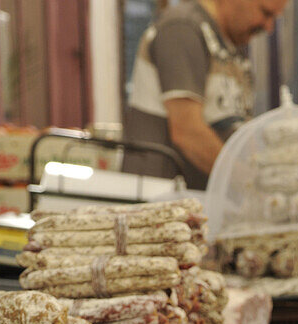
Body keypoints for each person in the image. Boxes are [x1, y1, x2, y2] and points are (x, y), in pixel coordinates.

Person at [123, 0, 287, 189]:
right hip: (161, 198)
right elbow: (187, 132)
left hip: (200, 200)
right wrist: (251, 183)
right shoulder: (182, 29)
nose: (268, 27)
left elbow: (239, 124)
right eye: (266, 13)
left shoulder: (231, 41)